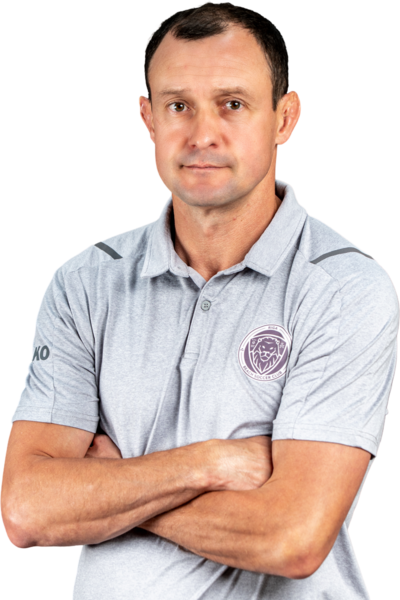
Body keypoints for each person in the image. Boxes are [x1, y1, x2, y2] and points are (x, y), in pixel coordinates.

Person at [1, 2, 398, 598]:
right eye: (178, 105)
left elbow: (293, 538)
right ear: (148, 118)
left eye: (232, 104)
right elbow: (28, 511)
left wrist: (107, 490)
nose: (202, 134)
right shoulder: (85, 283)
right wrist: (208, 463)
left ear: (285, 118)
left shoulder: (342, 288)